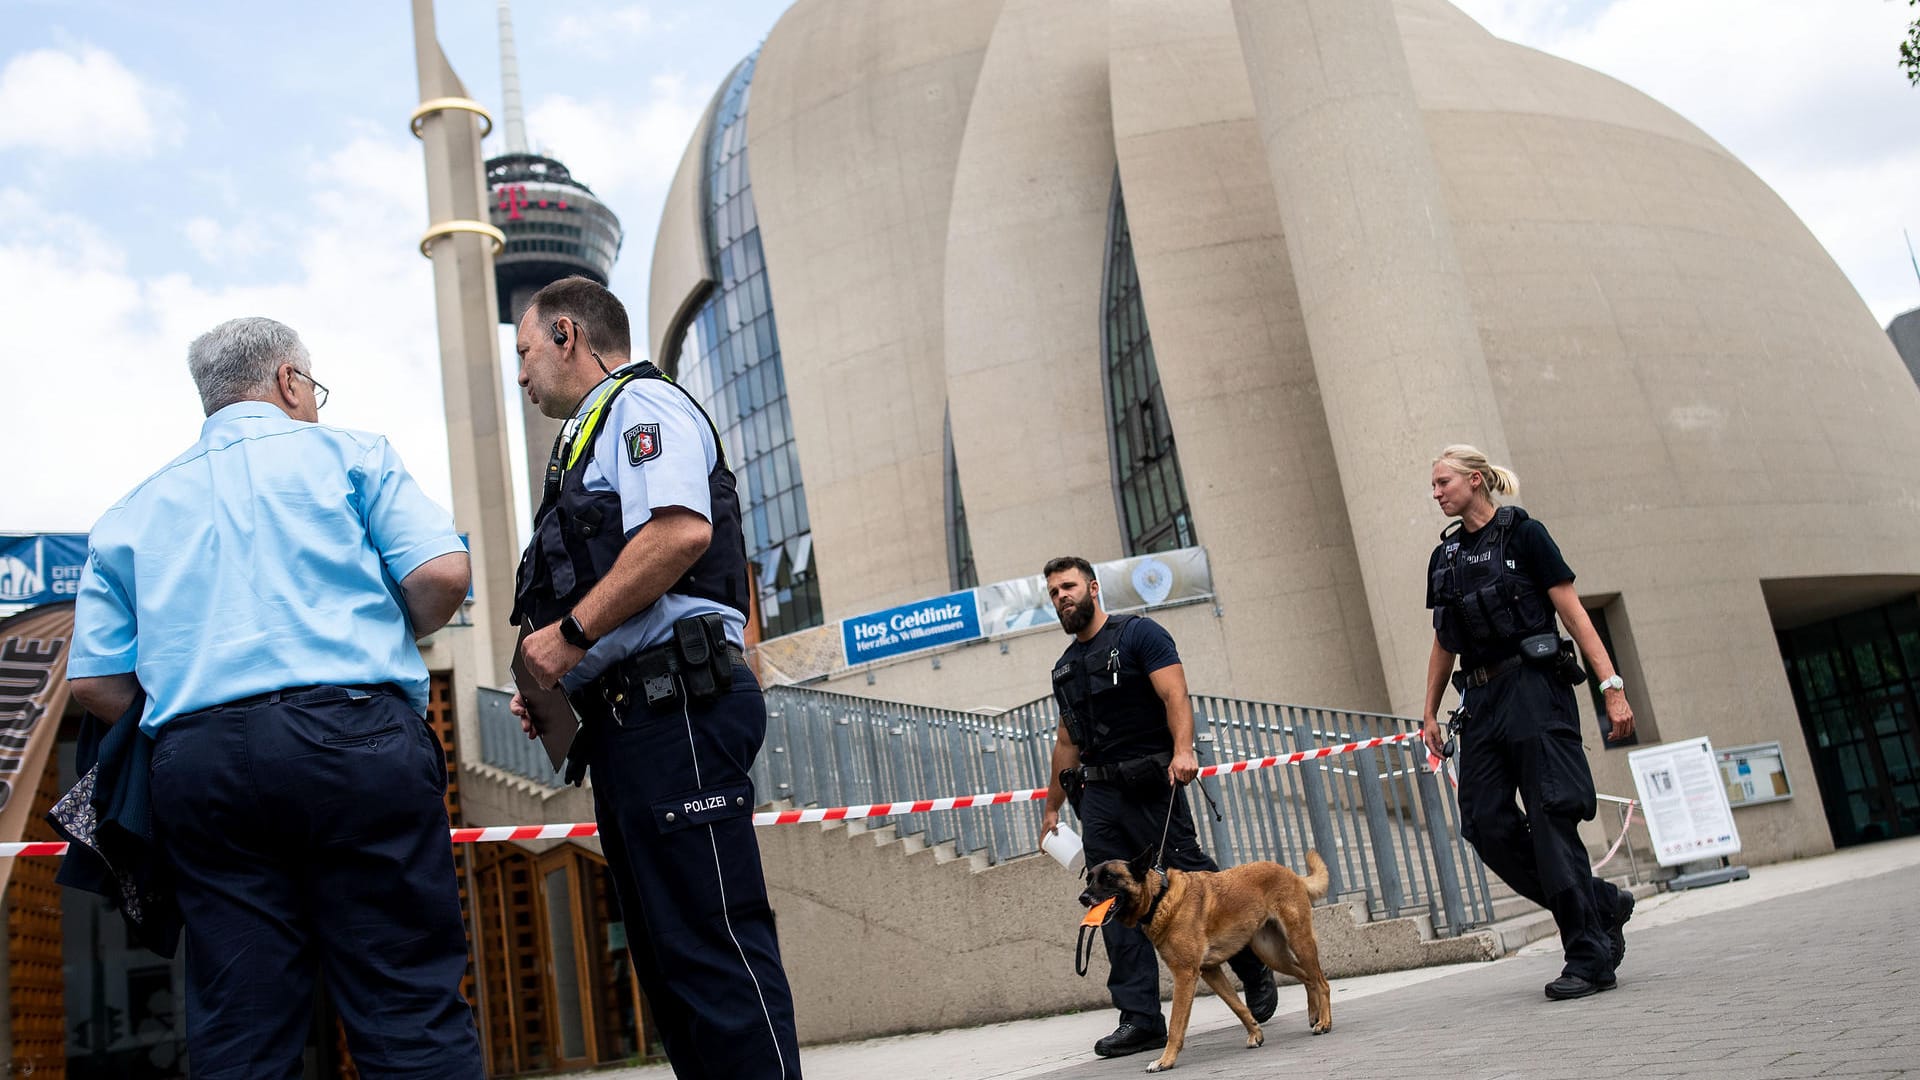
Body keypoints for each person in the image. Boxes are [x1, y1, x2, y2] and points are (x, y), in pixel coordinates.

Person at [67, 317, 484, 1078]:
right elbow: (443, 575)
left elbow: (94, 681)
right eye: (312, 388)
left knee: (241, 1021)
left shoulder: (131, 511)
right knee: (405, 1004)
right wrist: (386, 633)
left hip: (202, 763)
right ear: (290, 382)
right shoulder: (354, 454)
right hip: (355, 737)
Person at [507, 276, 800, 1080]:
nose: (522, 376)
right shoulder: (591, 438)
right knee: (674, 966)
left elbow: (677, 533)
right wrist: (562, 680)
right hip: (634, 716)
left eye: (526, 353)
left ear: (568, 334)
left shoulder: (643, 408)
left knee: (715, 949)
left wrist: (567, 638)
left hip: (680, 706)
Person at [1036, 555, 1278, 1059]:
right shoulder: (1064, 667)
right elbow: (1066, 740)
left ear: (1094, 588)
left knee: (1194, 874)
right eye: (1054, 591)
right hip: (1097, 796)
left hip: (1151, 781)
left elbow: (1175, 695)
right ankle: (1140, 1018)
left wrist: (1184, 749)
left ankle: (1252, 967)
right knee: (1108, 898)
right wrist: (1051, 809)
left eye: (1069, 586)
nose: (1062, 596)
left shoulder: (1140, 635)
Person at [1420, 445, 1637, 1001]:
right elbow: (1445, 641)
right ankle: (1601, 904)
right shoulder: (1443, 559)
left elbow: (1572, 610)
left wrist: (1611, 687)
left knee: (1550, 818)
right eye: (1435, 485)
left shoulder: (1525, 534)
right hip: (1482, 700)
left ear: (1474, 480)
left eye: (1444, 482)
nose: (1437, 492)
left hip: (1535, 691)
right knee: (1485, 823)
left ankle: (1589, 957)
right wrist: (1428, 713)